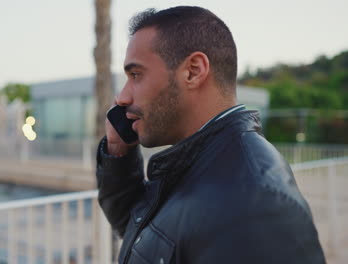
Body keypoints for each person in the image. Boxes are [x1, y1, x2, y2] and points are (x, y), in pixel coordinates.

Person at [95, 6, 326, 264]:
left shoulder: (256, 204)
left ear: (193, 71)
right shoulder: (196, 162)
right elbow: (142, 234)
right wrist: (118, 152)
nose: (122, 97)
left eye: (136, 75)